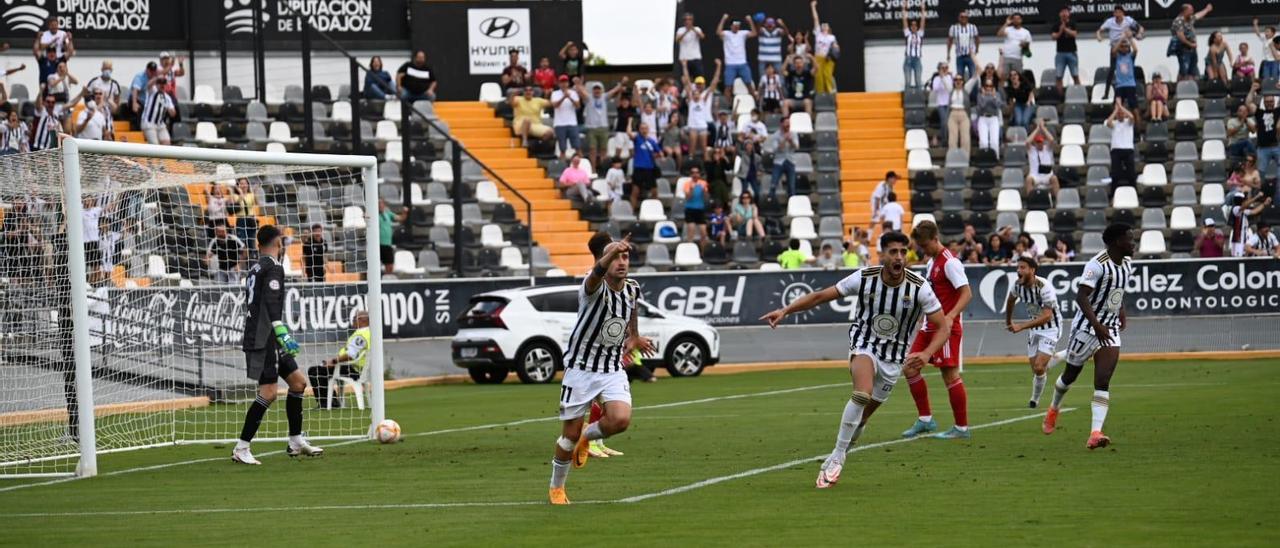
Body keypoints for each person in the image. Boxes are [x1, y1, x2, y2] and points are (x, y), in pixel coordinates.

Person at [761, 231, 949, 488]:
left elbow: (943, 327)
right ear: (881, 254)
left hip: (894, 358)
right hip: (864, 345)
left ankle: (840, 453)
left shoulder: (919, 287)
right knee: (861, 394)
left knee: (862, 418)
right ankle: (838, 455)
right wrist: (785, 310)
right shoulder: (864, 278)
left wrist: (927, 354)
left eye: (903, 252)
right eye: (893, 252)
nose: (899, 257)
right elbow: (819, 296)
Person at [547, 233, 654, 505]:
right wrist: (607, 257)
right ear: (603, 260)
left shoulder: (632, 288)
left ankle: (587, 435)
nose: (621, 262)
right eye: (615, 256)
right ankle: (556, 487)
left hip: (611, 368)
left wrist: (635, 336)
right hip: (580, 369)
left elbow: (632, 308)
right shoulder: (592, 286)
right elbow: (595, 275)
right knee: (567, 438)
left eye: (625, 256)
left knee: (620, 420)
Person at [233, 224, 323, 465]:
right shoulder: (273, 267)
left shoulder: (254, 268)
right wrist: (281, 330)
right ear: (278, 243)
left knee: (298, 383)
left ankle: (295, 441)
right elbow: (272, 301)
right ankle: (242, 447)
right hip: (264, 338)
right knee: (269, 392)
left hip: (266, 336)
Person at [1043, 224, 1135, 450]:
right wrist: (1096, 324)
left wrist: (1120, 311)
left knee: (1102, 380)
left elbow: (1117, 290)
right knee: (1070, 376)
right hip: (1086, 328)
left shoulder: (1127, 264)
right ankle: (1054, 407)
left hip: (1110, 328)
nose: (1133, 243)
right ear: (1116, 242)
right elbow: (1081, 296)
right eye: (1129, 239)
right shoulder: (1096, 265)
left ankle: (1095, 433)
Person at [900, 221, 972, 440]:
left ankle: (961, 428)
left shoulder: (950, 263)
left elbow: (967, 293)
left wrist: (950, 317)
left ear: (934, 238)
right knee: (910, 367)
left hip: (946, 328)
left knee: (949, 375)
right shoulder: (932, 262)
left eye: (924, 245)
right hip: (928, 326)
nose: (923, 249)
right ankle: (925, 420)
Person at [1004, 256, 1067, 409]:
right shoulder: (1017, 285)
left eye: (1023, 267)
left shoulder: (1044, 286)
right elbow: (1010, 300)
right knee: (1037, 370)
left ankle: (1034, 400)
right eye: (1018, 267)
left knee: (1039, 367)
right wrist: (1008, 321)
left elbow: (1046, 316)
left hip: (1051, 328)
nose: (1019, 270)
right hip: (1034, 328)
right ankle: (1066, 354)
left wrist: (1021, 326)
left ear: (1032, 270)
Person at [309, 311, 370, 409]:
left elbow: (350, 355)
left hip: (351, 369)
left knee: (314, 371)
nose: (352, 321)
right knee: (322, 369)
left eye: (354, 318)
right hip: (357, 369)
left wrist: (333, 362)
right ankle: (332, 400)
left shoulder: (361, 335)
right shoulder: (370, 333)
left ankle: (328, 403)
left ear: (361, 320)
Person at [1096, 6, 1144, 97]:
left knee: (1130, 69)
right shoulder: (1110, 22)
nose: (1117, 15)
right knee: (1112, 69)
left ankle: (1134, 91)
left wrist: (1137, 34)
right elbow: (1099, 30)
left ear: (1123, 13)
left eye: (1119, 12)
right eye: (1115, 12)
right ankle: (1106, 93)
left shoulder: (1128, 20)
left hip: (1125, 46)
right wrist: (1099, 36)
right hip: (1115, 47)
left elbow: (1140, 28)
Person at [683, 59, 722, 158]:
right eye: (697, 85)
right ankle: (691, 165)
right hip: (693, 126)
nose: (696, 94)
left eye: (701, 84)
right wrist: (684, 66)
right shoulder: (691, 100)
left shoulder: (703, 99)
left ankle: (706, 168)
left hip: (702, 126)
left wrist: (719, 66)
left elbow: (714, 82)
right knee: (691, 150)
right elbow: (687, 81)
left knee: (705, 149)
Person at [582, 80, 624, 170]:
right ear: (592, 90)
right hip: (591, 128)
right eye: (595, 89)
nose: (597, 91)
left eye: (598, 89)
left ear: (601, 90)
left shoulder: (604, 97)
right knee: (592, 150)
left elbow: (614, 90)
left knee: (603, 150)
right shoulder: (589, 98)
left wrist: (622, 83)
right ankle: (593, 169)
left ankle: (603, 169)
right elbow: (581, 91)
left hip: (603, 127)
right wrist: (578, 83)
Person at [717, 14, 757, 100]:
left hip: (742, 63)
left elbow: (754, 33)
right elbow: (718, 32)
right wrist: (723, 19)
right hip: (730, 64)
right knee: (728, 86)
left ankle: (755, 103)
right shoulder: (726, 34)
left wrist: (750, 21)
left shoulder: (743, 33)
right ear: (731, 26)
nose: (736, 27)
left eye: (738, 26)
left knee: (749, 84)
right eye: (734, 26)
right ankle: (730, 106)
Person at [1172, 3, 1213, 82]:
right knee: (1184, 70)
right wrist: (1191, 44)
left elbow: (1198, 15)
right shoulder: (1179, 21)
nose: (1192, 12)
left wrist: (1207, 10)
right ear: (1185, 11)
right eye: (1190, 10)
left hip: (1192, 49)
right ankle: (1179, 87)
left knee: (1192, 69)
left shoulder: (1189, 18)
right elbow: (1181, 37)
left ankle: (1191, 84)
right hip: (1183, 50)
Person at [627, 121, 663, 210]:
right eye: (642, 129)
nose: (644, 130)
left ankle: (655, 210)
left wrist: (656, 155)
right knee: (635, 191)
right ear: (639, 130)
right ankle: (632, 211)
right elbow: (629, 133)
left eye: (645, 128)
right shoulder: (637, 138)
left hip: (650, 169)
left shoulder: (652, 141)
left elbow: (660, 153)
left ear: (648, 130)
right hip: (639, 168)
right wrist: (630, 121)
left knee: (654, 192)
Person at [1249, 83, 1280, 184]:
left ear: (1274, 102)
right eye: (1267, 102)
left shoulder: (1277, 111)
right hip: (1263, 148)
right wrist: (1252, 90)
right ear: (1264, 103)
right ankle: (1259, 195)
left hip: (1277, 146)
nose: (1269, 103)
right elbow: (1248, 103)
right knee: (1260, 174)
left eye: (1271, 101)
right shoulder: (1259, 112)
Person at [1228, 192, 1271, 257]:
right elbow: (1244, 206)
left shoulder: (1243, 211)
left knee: (1247, 254)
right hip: (1238, 238)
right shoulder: (1235, 209)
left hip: (1245, 235)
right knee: (1238, 256)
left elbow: (1254, 211)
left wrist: (1264, 204)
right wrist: (1256, 197)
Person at [1107, 99, 1137, 191]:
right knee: (1115, 174)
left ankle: (1134, 191)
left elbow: (1132, 117)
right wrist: (1116, 110)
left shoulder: (1129, 123)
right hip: (1116, 150)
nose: (1120, 114)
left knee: (1131, 174)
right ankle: (1113, 194)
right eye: (1119, 113)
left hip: (1128, 150)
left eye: (1122, 113)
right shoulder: (1114, 124)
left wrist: (1121, 107)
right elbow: (1108, 122)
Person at [810, 1, 839, 94]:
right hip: (818, 57)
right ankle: (820, 93)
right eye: (823, 24)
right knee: (818, 76)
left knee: (827, 75)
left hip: (828, 58)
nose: (824, 25)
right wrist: (813, 7)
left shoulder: (832, 37)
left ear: (829, 28)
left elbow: (836, 47)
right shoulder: (818, 34)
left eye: (826, 25)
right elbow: (816, 18)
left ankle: (831, 91)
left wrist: (835, 46)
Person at [550, 75, 582, 160]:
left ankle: (582, 167)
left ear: (568, 83)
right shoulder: (555, 93)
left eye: (565, 82)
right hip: (560, 124)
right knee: (562, 149)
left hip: (572, 123)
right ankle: (562, 168)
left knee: (577, 147)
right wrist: (564, 97)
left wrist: (570, 97)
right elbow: (555, 105)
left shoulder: (573, 93)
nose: (564, 84)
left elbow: (578, 106)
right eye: (562, 82)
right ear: (559, 84)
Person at [1025, 122, 1060, 197]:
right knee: (1028, 180)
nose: (1039, 144)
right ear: (1035, 142)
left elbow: (1051, 140)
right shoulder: (1032, 150)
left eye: (1040, 142)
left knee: (1054, 178)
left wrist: (1043, 128)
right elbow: (1027, 142)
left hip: (1047, 175)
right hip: (1035, 175)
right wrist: (1037, 129)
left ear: (1043, 141)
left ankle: (1058, 201)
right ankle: (1030, 201)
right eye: (1037, 142)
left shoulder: (1047, 148)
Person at [767, 118, 799, 200]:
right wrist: (784, 139)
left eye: (789, 123)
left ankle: (792, 203)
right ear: (781, 124)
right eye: (786, 123)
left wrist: (791, 141)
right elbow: (775, 150)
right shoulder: (775, 135)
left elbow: (796, 147)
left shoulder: (793, 134)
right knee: (773, 184)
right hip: (779, 162)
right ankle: (771, 201)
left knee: (791, 186)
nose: (788, 125)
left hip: (790, 161)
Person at [1051, 7, 1080, 94]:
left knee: (1075, 75)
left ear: (1069, 14)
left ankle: (1078, 93)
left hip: (1072, 53)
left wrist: (1065, 29)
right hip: (1060, 53)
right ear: (1060, 14)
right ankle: (1060, 96)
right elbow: (1053, 37)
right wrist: (1060, 31)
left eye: (1066, 12)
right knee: (1059, 76)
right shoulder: (1056, 25)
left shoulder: (1072, 23)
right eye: (1062, 12)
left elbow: (1075, 34)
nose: (1064, 14)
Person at [140, 74, 176, 145]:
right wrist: (157, 77)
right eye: (159, 83)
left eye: (164, 83)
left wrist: (171, 111)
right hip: (149, 123)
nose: (162, 85)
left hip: (160, 124)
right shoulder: (152, 91)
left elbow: (173, 113)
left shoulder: (167, 97)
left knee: (167, 143)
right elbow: (148, 85)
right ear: (156, 84)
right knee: (155, 145)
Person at [996, 13, 1032, 79]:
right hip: (1006, 57)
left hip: (1017, 58)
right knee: (1004, 77)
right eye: (1014, 19)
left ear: (1021, 20)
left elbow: (1027, 46)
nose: (1016, 20)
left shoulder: (1026, 32)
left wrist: (1024, 45)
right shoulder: (1008, 29)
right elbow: (999, 34)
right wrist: (1006, 23)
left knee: (1018, 77)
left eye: (1018, 19)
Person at [947, 10, 980, 82]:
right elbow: (950, 41)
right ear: (959, 18)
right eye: (962, 17)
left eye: (965, 17)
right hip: (960, 56)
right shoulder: (953, 28)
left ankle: (973, 93)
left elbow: (977, 38)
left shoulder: (973, 27)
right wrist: (948, 53)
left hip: (970, 55)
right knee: (960, 76)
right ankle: (961, 92)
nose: (964, 18)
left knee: (973, 75)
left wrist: (977, 49)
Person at [974, 79, 1004, 156]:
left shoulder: (997, 94)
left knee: (994, 141)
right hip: (983, 118)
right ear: (983, 87)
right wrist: (984, 96)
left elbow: (998, 105)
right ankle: (984, 158)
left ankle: (995, 158)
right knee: (983, 141)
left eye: (990, 86)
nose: (988, 88)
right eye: (986, 86)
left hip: (993, 118)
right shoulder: (980, 95)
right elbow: (981, 106)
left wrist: (993, 97)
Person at [377, 199, 406, 275]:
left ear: (384, 205)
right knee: (378, 266)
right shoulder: (374, 215)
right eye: (378, 204)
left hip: (387, 244)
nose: (380, 205)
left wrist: (405, 212)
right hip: (378, 245)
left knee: (390, 267)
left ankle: (386, 282)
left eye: (381, 204)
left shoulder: (388, 214)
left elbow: (401, 218)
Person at [682, 167, 710, 243]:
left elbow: (706, 197)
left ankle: (703, 253)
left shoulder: (703, 183)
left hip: (700, 209)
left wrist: (704, 191)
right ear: (691, 174)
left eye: (697, 172)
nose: (695, 174)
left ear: (699, 174)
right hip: (690, 210)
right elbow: (688, 198)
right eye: (693, 173)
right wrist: (691, 189)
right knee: (691, 231)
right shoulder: (687, 184)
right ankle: (690, 249)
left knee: (704, 233)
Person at [902, 1, 926, 90]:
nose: (914, 26)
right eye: (912, 25)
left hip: (917, 60)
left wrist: (923, 8)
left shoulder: (920, 34)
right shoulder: (907, 33)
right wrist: (904, 7)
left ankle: (919, 101)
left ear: (917, 26)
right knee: (907, 82)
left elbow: (923, 20)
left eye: (915, 25)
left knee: (918, 82)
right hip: (908, 59)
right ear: (910, 27)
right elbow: (904, 19)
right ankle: (907, 101)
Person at [782, 54, 815, 119]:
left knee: (808, 102)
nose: (798, 64)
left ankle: (808, 124)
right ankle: (786, 122)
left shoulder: (807, 73)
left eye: (800, 62)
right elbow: (782, 71)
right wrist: (786, 60)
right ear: (794, 65)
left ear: (803, 64)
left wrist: (811, 58)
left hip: (804, 100)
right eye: (796, 63)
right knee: (785, 102)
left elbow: (816, 69)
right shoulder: (791, 73)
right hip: (793, 100)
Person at [929, 63, 954, 146]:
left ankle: (947, 139)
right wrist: (941, 78)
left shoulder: (949, 77)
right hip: (941, 103)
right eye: (942, 68)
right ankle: (943, 140)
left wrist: (944, 78)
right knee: (944, 122)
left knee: (948, 123)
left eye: (946, 68)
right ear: (939, 69)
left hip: (949, 103)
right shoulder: (936, 78)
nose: (944, 70)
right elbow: (936, 89)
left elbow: (949, 88)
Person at [675, 13, 705, 79]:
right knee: (685, 78)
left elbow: (702, 37)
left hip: (696, 57)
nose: (687, 21)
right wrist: (686, 31)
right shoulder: (680, 30)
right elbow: (677, 40)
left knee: (699, 78)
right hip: (684, 58)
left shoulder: (697, 29)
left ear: (692, 21)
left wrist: (693, 29)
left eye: (689, 19)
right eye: (686, 20)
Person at [946, 74, 971, 153]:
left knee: (965, 138)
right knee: (952, 138)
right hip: (953, 113)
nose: (958, 81)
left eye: (960, 80)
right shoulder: (951, 90)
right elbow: (944, 80)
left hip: (963, 113)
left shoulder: (966, 90)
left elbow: (974, 79)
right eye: (956, 80)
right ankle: (953, 158)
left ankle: (965, 158)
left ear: (963, 82)